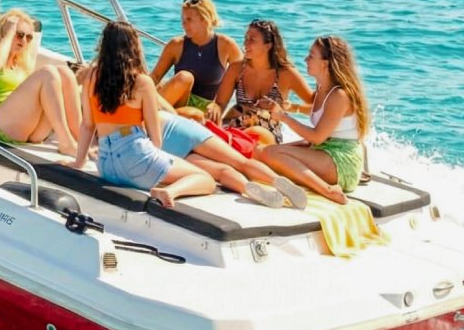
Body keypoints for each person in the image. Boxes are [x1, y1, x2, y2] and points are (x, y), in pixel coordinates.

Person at [69, 22, 216, 206]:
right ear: (133, 47)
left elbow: (87, 125)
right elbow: (156, 139)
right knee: (205, 179)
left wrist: (78, 162)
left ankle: (156, 181)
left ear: (104, 46)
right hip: (135, 156)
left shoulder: (91, 76)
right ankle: (169, 191)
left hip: (106, 165)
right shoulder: (142, 82)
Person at [257, 36, 371, 205]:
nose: (305, 59)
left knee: (271, 154)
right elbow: (321, 112)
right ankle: (290, 184)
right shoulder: (322, 88)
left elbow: (316, 137)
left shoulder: (339, 95)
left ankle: (329, 191)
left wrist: (283, 117)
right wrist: (292, 107)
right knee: (264, 152)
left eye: (311, 56)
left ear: (325, 63)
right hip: (325, 149)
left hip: (342, 161)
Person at [0, 9, 83, 156]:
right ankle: (66, 142)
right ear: (4, 32)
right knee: (48, 72)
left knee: (64, 72)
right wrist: (9, 33)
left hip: (28, 131)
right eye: (19, 34)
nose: (23, 40)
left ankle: (81, 141)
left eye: (29, 37)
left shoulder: (21, 65)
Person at [156, 102, 309, 209]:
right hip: (177, 128)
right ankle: (277, 181)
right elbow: (172, 112)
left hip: (168, 148)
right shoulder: (147, 90)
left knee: (222, 172)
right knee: (241, 162)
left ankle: (247, 188)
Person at [213, 19, 312, 146]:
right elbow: (220, 104)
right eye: (246, 38)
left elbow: (316, 105)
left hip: (265, 134)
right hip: (234, 126)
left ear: (268, 46)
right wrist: (214, 110)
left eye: (252, 40)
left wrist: (294, 108)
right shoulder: (237, 68)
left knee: (255, 132)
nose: (245, 43)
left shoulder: (286, 74)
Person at [150, 0, 242, 118]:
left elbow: (244, 75)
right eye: (182, 19)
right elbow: (154, 77)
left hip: (205, 111)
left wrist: (220, 106)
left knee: (196, 115)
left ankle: (153, 115)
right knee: (184, 78)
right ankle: (149, 112)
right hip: (174, 105)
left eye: (189, 19)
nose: (183, 23)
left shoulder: (225, 45)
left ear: (205, 19)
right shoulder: (176, 45)